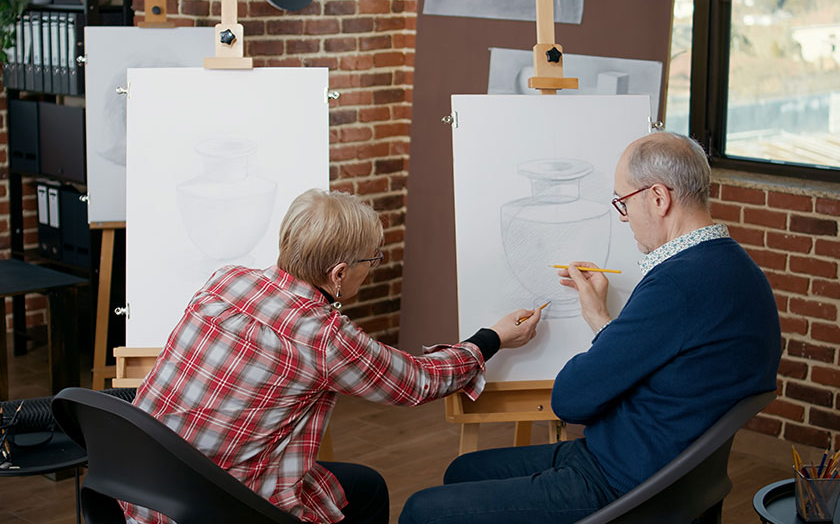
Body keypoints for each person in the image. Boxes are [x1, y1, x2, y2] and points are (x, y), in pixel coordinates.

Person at [399, 131, 782, 524]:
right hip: (668, 470)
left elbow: (571, 401)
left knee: (420, 511)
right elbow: (662, 361)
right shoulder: (740, 272)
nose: (623, 218)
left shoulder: (677, 285)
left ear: (658, 198)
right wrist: (600, 318)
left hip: (621, 483)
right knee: (462, 472)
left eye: (622, 203)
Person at [120, 188, 542, 524]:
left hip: (139, 487)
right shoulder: (323, 336)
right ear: (339, 273)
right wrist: (492, 338)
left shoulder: (226, 279)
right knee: (369, 490)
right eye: (371, 260)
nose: (372, 267)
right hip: (215, 504)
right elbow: (417, 382)